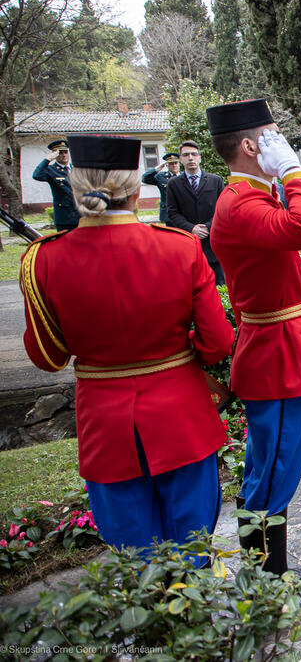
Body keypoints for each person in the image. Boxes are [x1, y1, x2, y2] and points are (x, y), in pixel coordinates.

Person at [19, 134, 234, 559]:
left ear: (76, 188)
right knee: (192, 546)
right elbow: (217, 343)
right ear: (137, 191)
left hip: (105, 422)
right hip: (181, 414)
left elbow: (48, 357)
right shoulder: (180, 247)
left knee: (135, 556)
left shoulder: (43, 259)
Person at [207, 98, 301, 612]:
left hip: (283, 349)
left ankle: (272, 572)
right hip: (277, 357)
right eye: (273, 136)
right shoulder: (241, 202)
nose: (281, 145)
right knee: (273, 472)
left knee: (270, 470)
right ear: (250, 145)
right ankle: (266, 588)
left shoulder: (249, 195)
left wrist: (282, 175)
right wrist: (294, 171)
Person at [165, 141, 226, 285]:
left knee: (220, 288)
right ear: (181, 159)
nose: (190, 158)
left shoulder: (215, 181)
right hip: (188, 244)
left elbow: (222, 208)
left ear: (200, 157)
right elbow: (172, 212)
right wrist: (191, 229)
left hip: (213, 245)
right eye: (186, 155)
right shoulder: (173, 184)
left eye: (194, 154)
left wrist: (208, 226)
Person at [32, 139, 80, 231]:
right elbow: (36, 175)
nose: (64, 155)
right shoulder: (51, 170)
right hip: (64, 217)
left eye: (65, 152)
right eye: (60, 153)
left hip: (80, 215)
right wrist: (48, 159)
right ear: (55, 154)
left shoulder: (76, 168)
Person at [142, 151, 180, 223]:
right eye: (171, 163)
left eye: (176, 163)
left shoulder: (184, 176)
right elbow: (145, 178)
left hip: (182, 213)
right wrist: (157, 169)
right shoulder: (161, 176)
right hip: (168, 214)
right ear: (167, 165)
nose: (174, 165)